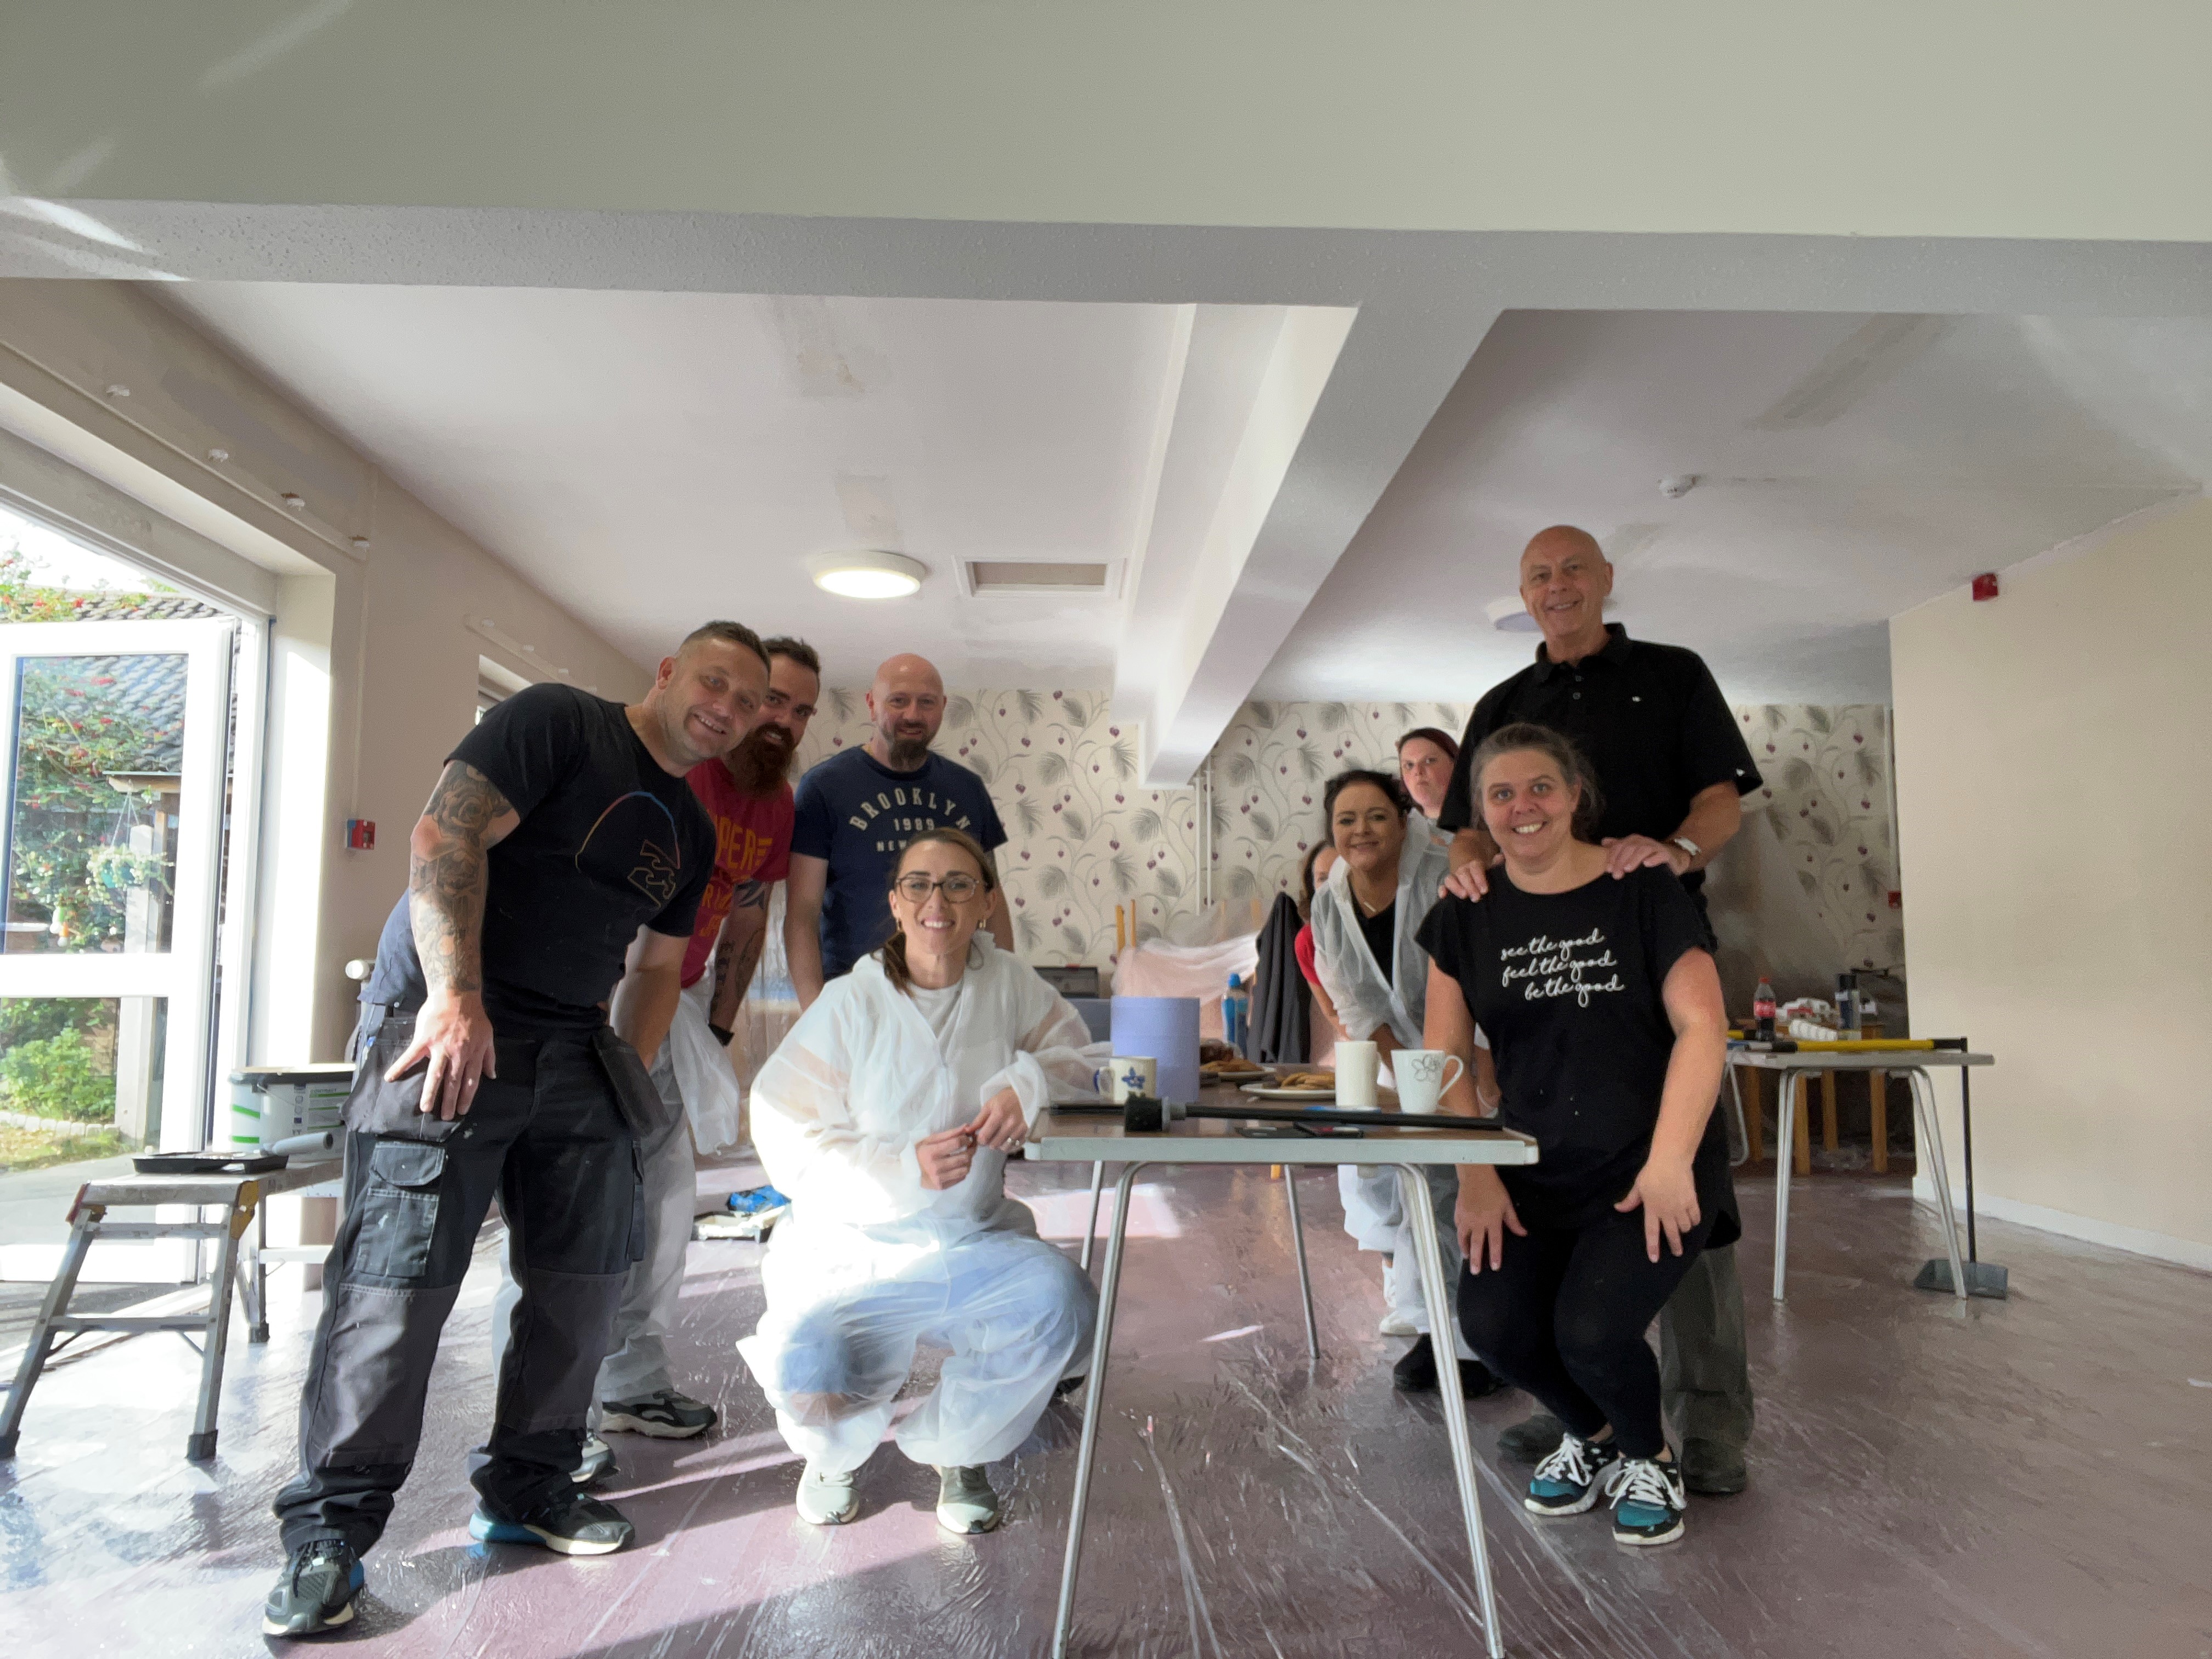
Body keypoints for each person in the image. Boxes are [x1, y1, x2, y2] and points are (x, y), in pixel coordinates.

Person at [263, 623, 768, 1639]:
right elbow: (444, 834)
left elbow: (659, 968)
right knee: (397, 1288)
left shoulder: (690, 824)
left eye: (750, 700)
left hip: (575, 1041)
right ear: (668, 671)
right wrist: (456, 996)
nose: (728, 705)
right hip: (447, 1025)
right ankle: (331, 1531)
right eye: (715, 680)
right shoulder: (556, 721)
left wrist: (627, 1082)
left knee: (583, 1285)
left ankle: (529, 1484)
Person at [1436, 524, 1763, 1496]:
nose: (1557, 584)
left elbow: (1721, 803)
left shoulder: (1671, 673)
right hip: (1538, 956)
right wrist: (1471, 888)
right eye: (1538, 574)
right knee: (1556, 1224)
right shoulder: (1503, 703)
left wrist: (1671, 849)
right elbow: (1466, 833)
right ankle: (1588, 1417)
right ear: (1522, 595)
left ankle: (1706, 1427)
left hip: (1654, 950)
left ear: (1607, 579)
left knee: (1689, 1217)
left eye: (1573, 566)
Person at [487, 637, 818, 1475]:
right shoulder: (680, 767)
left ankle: (630, 1382)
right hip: (597, 998)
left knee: (664, 1204)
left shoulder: (774, 802)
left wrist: (717, 1026)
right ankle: (537, 1412)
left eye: (798, 710)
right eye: (767, 699)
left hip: (679, 999)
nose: (777, 720)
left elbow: (746, 917)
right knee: (571, 1207)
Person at [1419, 723, 1730, 1547]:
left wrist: (1671, 1166)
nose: (1523, 807)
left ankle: (1647, 1454)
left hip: (1650, 1161)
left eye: (1541, 788)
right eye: (1501, 794)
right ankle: (1592, 1435)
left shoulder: (1644, 888)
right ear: (1480, 813)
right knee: (1494, 1327)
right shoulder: (1464, 914)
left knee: (1591, 1331)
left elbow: (1704, 1028)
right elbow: (1444, 1056)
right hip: (1529, 1165)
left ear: (1576, 795)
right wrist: (1477, 1174)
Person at [738, 828, 1099, 1534]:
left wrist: (1030, 1086)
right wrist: (902, 1169)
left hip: (971, 1239)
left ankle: (959, 1449)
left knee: (1064, 1304)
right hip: (852, 1248)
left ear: (987, 902)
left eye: (960, 884)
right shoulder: (851, 1004)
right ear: (898, 905)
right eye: (920, 885)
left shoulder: (1010, 987)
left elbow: (1080, 1058)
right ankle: (832, 1456)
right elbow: (783, 1129)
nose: (940, 900)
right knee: (807, 1355)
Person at [1306, 770, 1497, 1396]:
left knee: (1485, 1188)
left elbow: (1485, 978)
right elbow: (1358, 1001)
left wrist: (1476, 1072)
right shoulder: (1333, 897)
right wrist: (1413, 1078)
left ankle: (1491, 1342)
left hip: (1489, 1050)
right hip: (1418, 1059)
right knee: (1429, 1188)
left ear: (1405, 819)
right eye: (1346, 820)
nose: (1360, 830)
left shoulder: (1448, 873)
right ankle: (1439, 1332)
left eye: (1377, 816)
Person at [785, 653, 1011, 1009]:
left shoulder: (967, 789)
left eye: (926, 703)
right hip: (856, 997)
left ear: (943, 707)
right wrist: (815, 1013)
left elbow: (992, 900)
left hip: (957, 996)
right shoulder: (825, 788)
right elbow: (802, 913)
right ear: (872, 704)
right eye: (899, 701)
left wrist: (1003, 995)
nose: (913, 715)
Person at [1396, 726, 1459, 848]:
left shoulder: (1480, 828)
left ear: (1455, 765)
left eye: (1429, 761)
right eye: (1409, 765)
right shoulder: (1397, 832)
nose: (1418, 771)